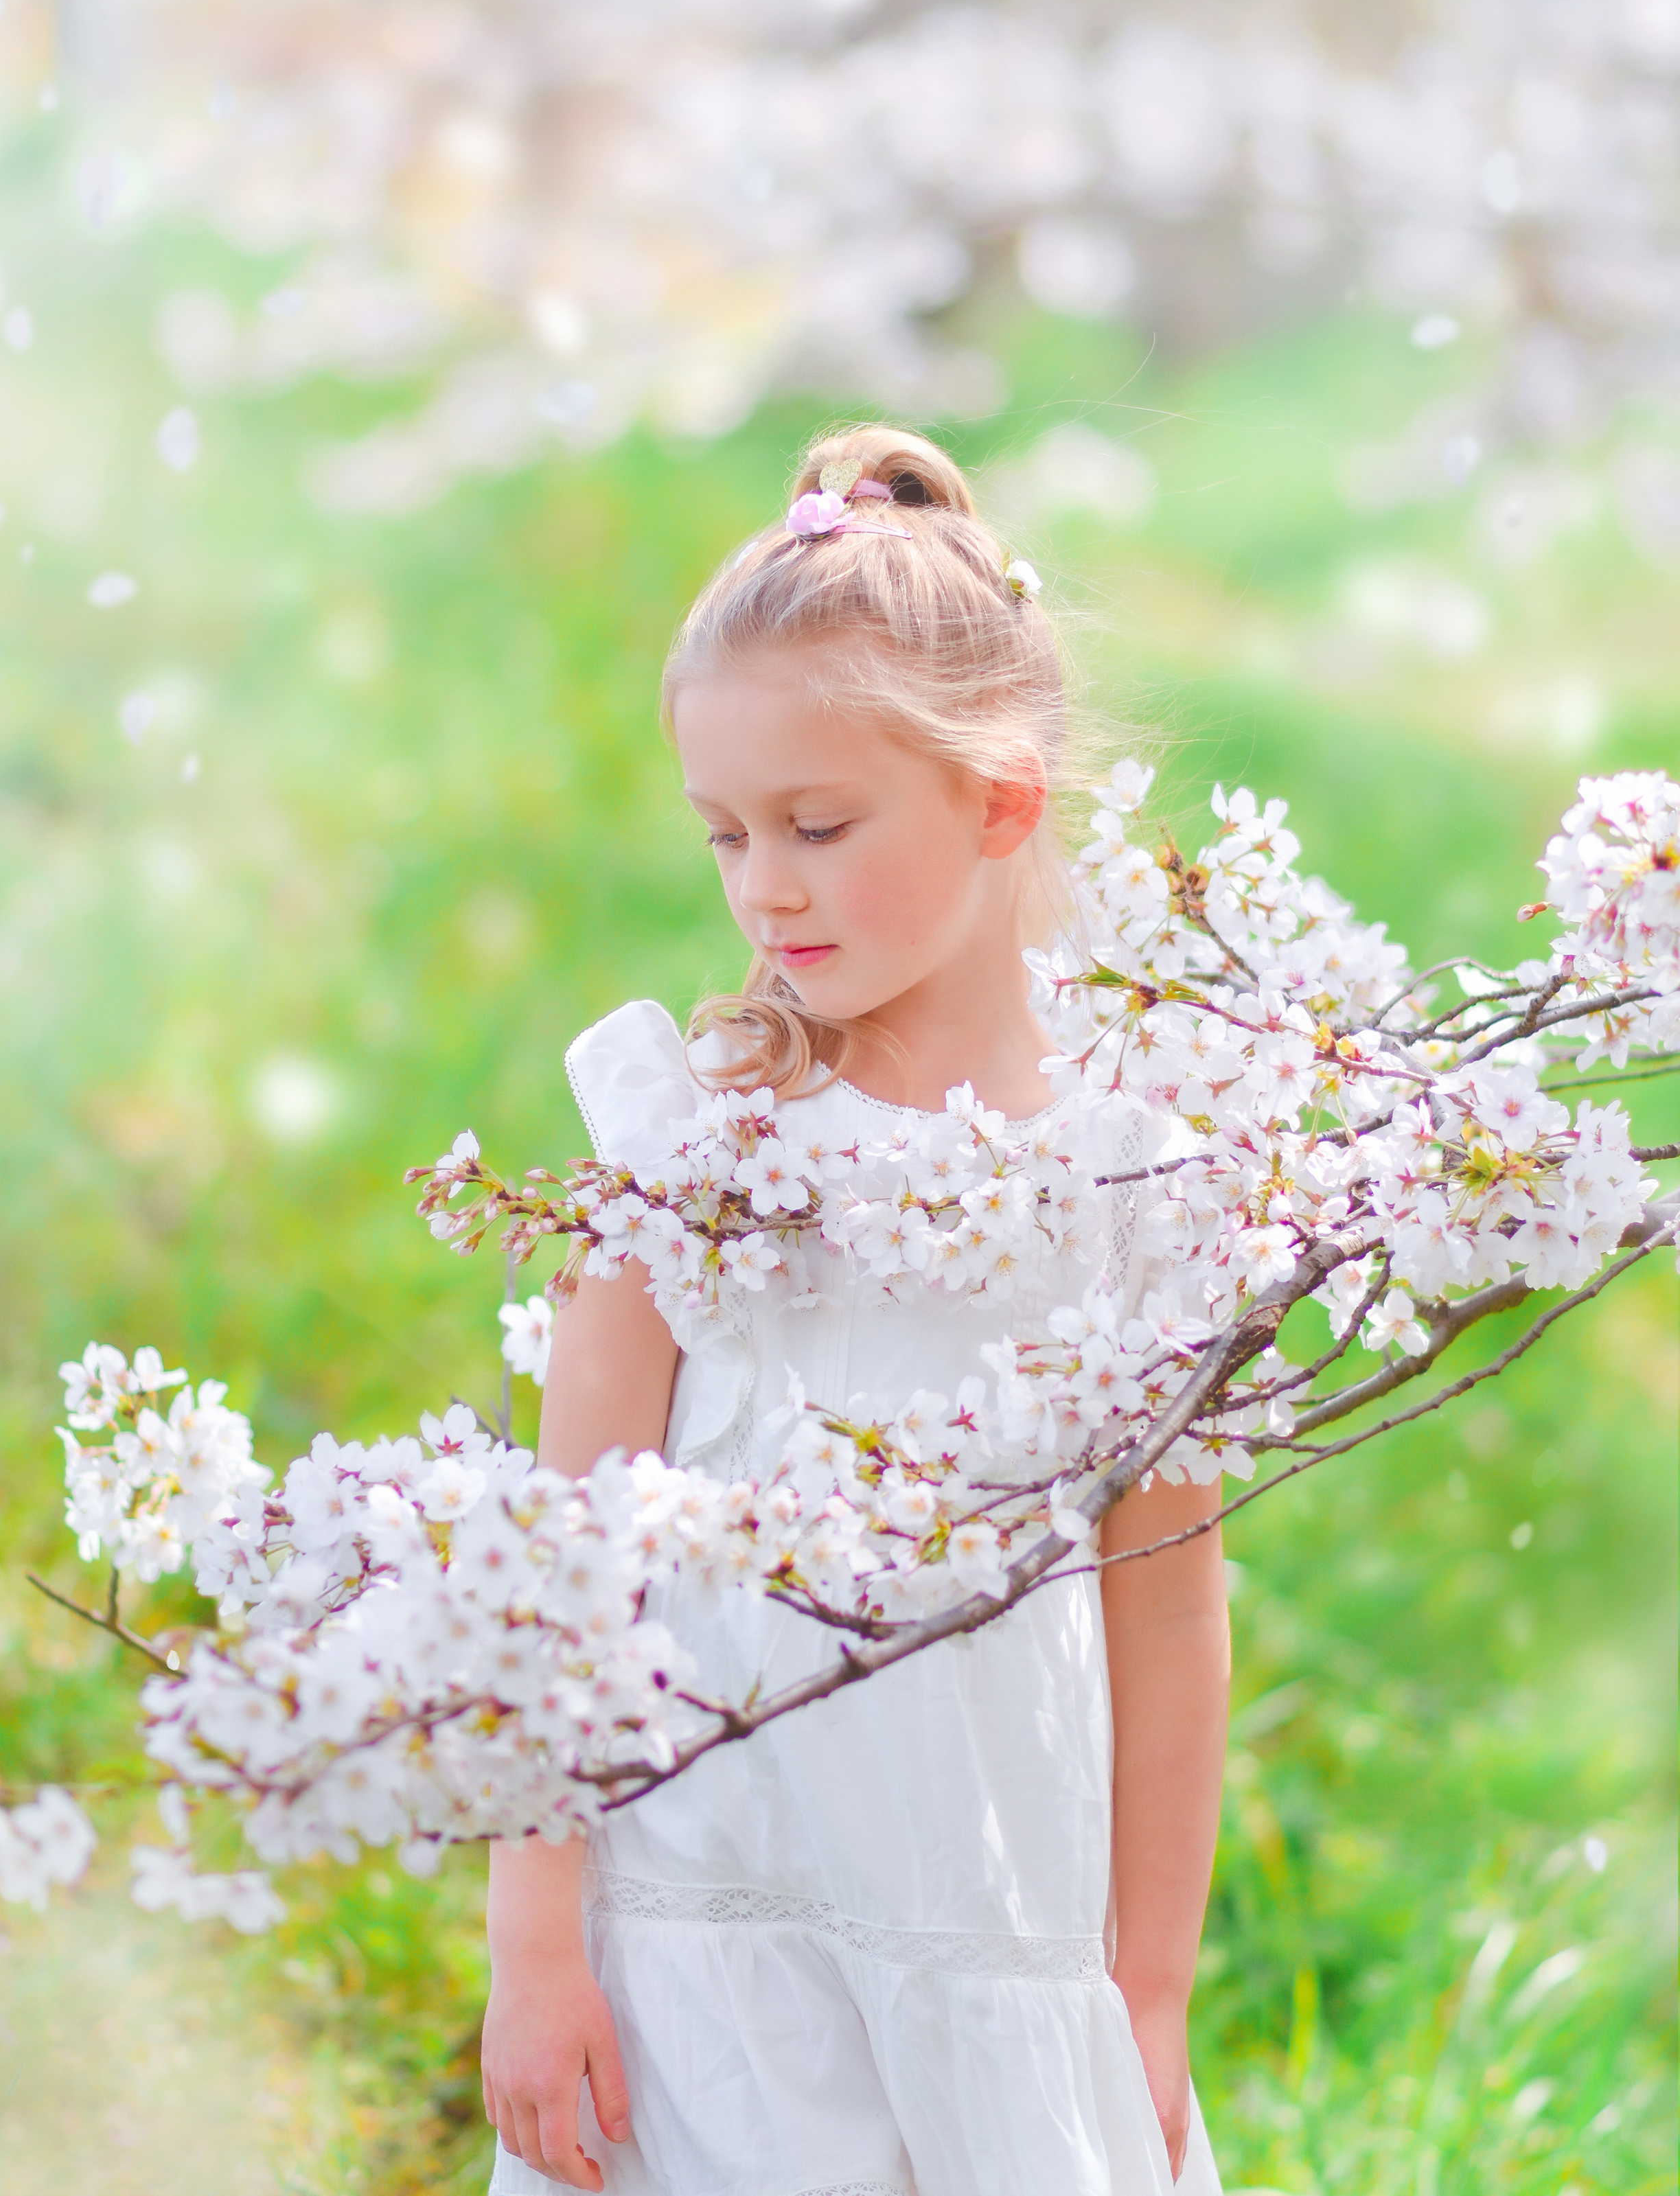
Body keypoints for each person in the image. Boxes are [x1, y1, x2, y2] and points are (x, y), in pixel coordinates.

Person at [482, 426, 1230, 2196]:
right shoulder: (706, 1150)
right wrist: (535, 1949)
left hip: (992, 1924)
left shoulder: (1137, 1176)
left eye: (818, 826)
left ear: (1000, 799)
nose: (766, 888)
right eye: (728, 835)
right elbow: (556, 1561)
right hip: (703, 1949)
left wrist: (1148, 1985)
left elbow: (1169, 1604)